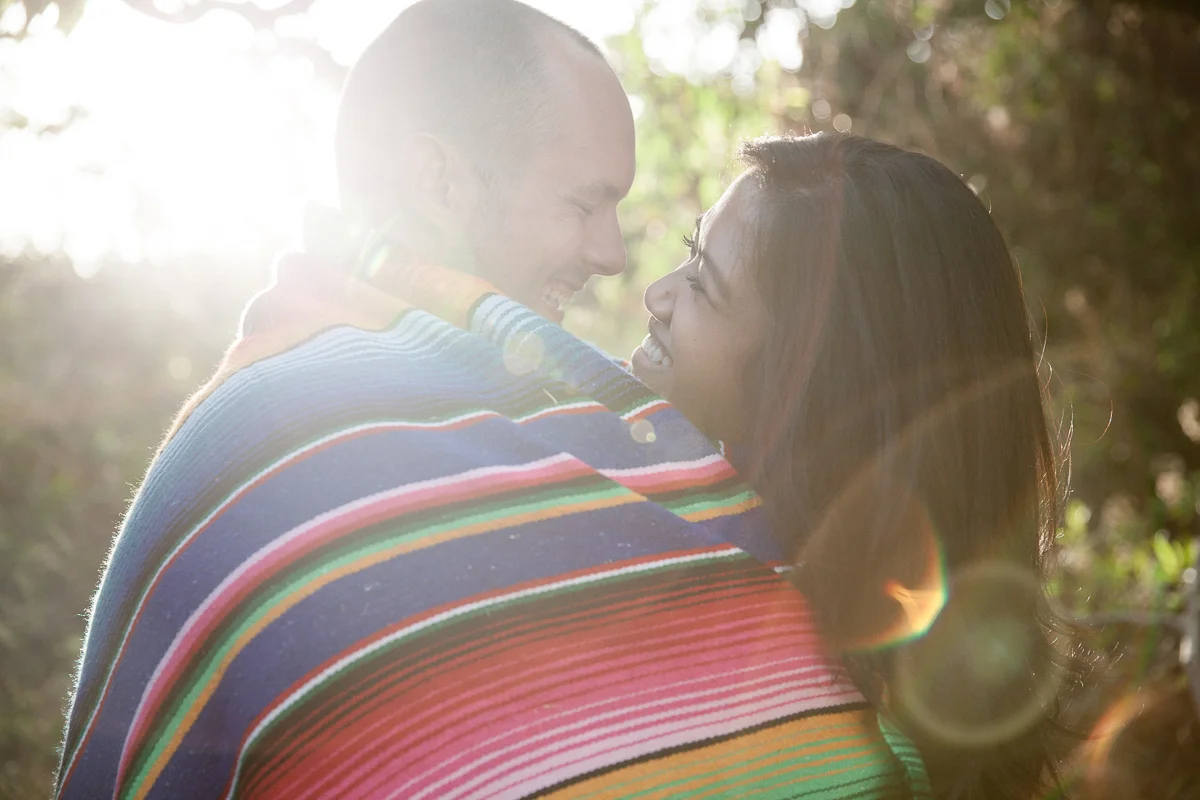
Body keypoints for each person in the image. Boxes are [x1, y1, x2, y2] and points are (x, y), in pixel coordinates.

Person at [55, 2, 933, 799]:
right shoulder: (258, 449)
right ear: (440, 182)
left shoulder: (623, 431)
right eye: (586, 204)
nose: (613, 256)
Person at [633, 132, 1075, 799]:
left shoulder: (771, 667)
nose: (656, 296)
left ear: (808, 380)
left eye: (702, 283)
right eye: (690, 253)